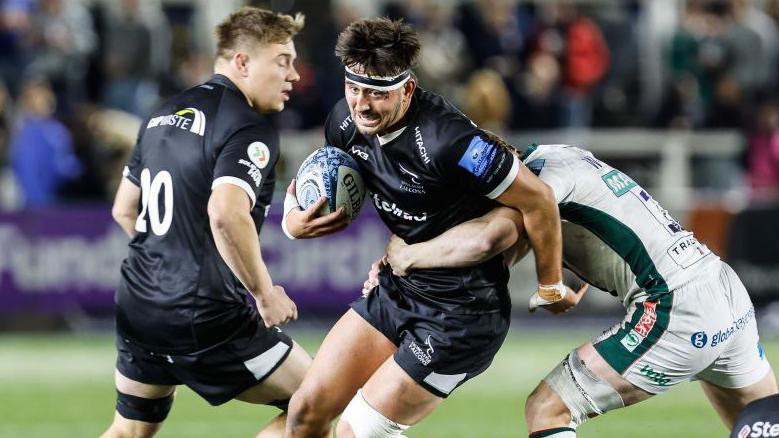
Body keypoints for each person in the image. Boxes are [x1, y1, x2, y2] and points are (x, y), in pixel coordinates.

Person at [282, 17, 566, 437]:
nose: (362, 104)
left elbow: (538, 199)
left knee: (355, 432)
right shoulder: (344, 123)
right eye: (354, 88)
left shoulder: (451, 141)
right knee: (305, 412)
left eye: (377, 93)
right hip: (401, 288)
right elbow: (318, 178)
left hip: (461, 315)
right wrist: (292, 222)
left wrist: (550, 286)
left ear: (407, 88)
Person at [384, 143, 779, 437]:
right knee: (764, 422)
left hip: (674, 308)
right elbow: (587, 223)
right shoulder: (559, 156)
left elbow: (490, 239)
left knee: (547, 410)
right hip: (724, 289)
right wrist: (558, 280)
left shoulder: (536, 185)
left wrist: (407, 256)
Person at [101, 8, 313, 438]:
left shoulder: (160, 117)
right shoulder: (247, 126)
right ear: (241, 62)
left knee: (129, 430)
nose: (293, 74)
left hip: (140, 304)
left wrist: (168, 263)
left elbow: (124, 209)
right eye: (282, 61)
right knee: (321, 400)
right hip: (204, 315)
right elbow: (225, 211)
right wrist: (264, 293)